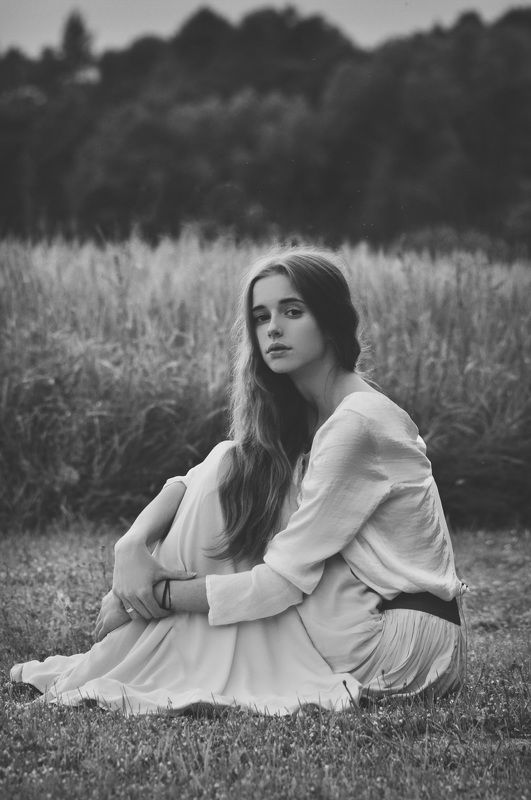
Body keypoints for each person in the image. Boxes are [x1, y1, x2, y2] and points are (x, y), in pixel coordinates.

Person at [11, 247, 467, 715]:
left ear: (331, 320)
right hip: (361, 616)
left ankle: (138, 637)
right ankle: (141, 636)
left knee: (236, 474)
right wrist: (129, 548)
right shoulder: (315, 417)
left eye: (293, 311)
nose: (273, 328)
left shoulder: (358, 423)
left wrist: (151, 598)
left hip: (398, 644)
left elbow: (281, 584)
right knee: (235, 460)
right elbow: (193, 480)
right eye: (261, 316)